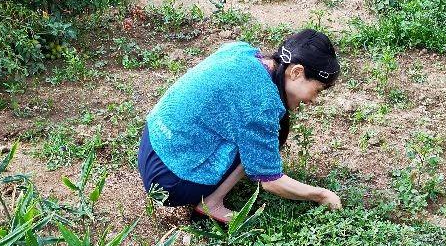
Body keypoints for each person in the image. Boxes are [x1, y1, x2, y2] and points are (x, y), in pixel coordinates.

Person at [138, 29, 343, 223]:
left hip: (152, 144)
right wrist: (322, 195)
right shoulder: (261, 105)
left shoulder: (242, 52)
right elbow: (271, 180)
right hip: (170, 181)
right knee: (254, 145)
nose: (314, 100)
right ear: (297, 72)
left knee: (244, 130)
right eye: (317, 90)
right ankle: (211, 204)